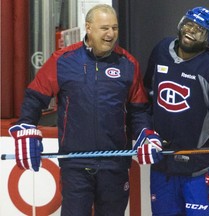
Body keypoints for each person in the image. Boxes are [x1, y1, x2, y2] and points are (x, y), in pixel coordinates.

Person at [8, 4, 163, 216]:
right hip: (75, 163)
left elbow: (139, 109)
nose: (111, 34)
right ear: (88, 27)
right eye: (104, 28)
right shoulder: (63, 60)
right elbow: (35, 97)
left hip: (114, 162)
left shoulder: (128, 64)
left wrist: (145, 133)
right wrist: (26, 126)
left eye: (115, 28)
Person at [143, 6, 209, 216]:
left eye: (200, 29)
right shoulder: (161, 50)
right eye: (189, 24)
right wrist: (145, 131)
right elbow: (146, 96)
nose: (191, 31)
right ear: (181, 24)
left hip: (199, 170)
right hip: (163, 166)